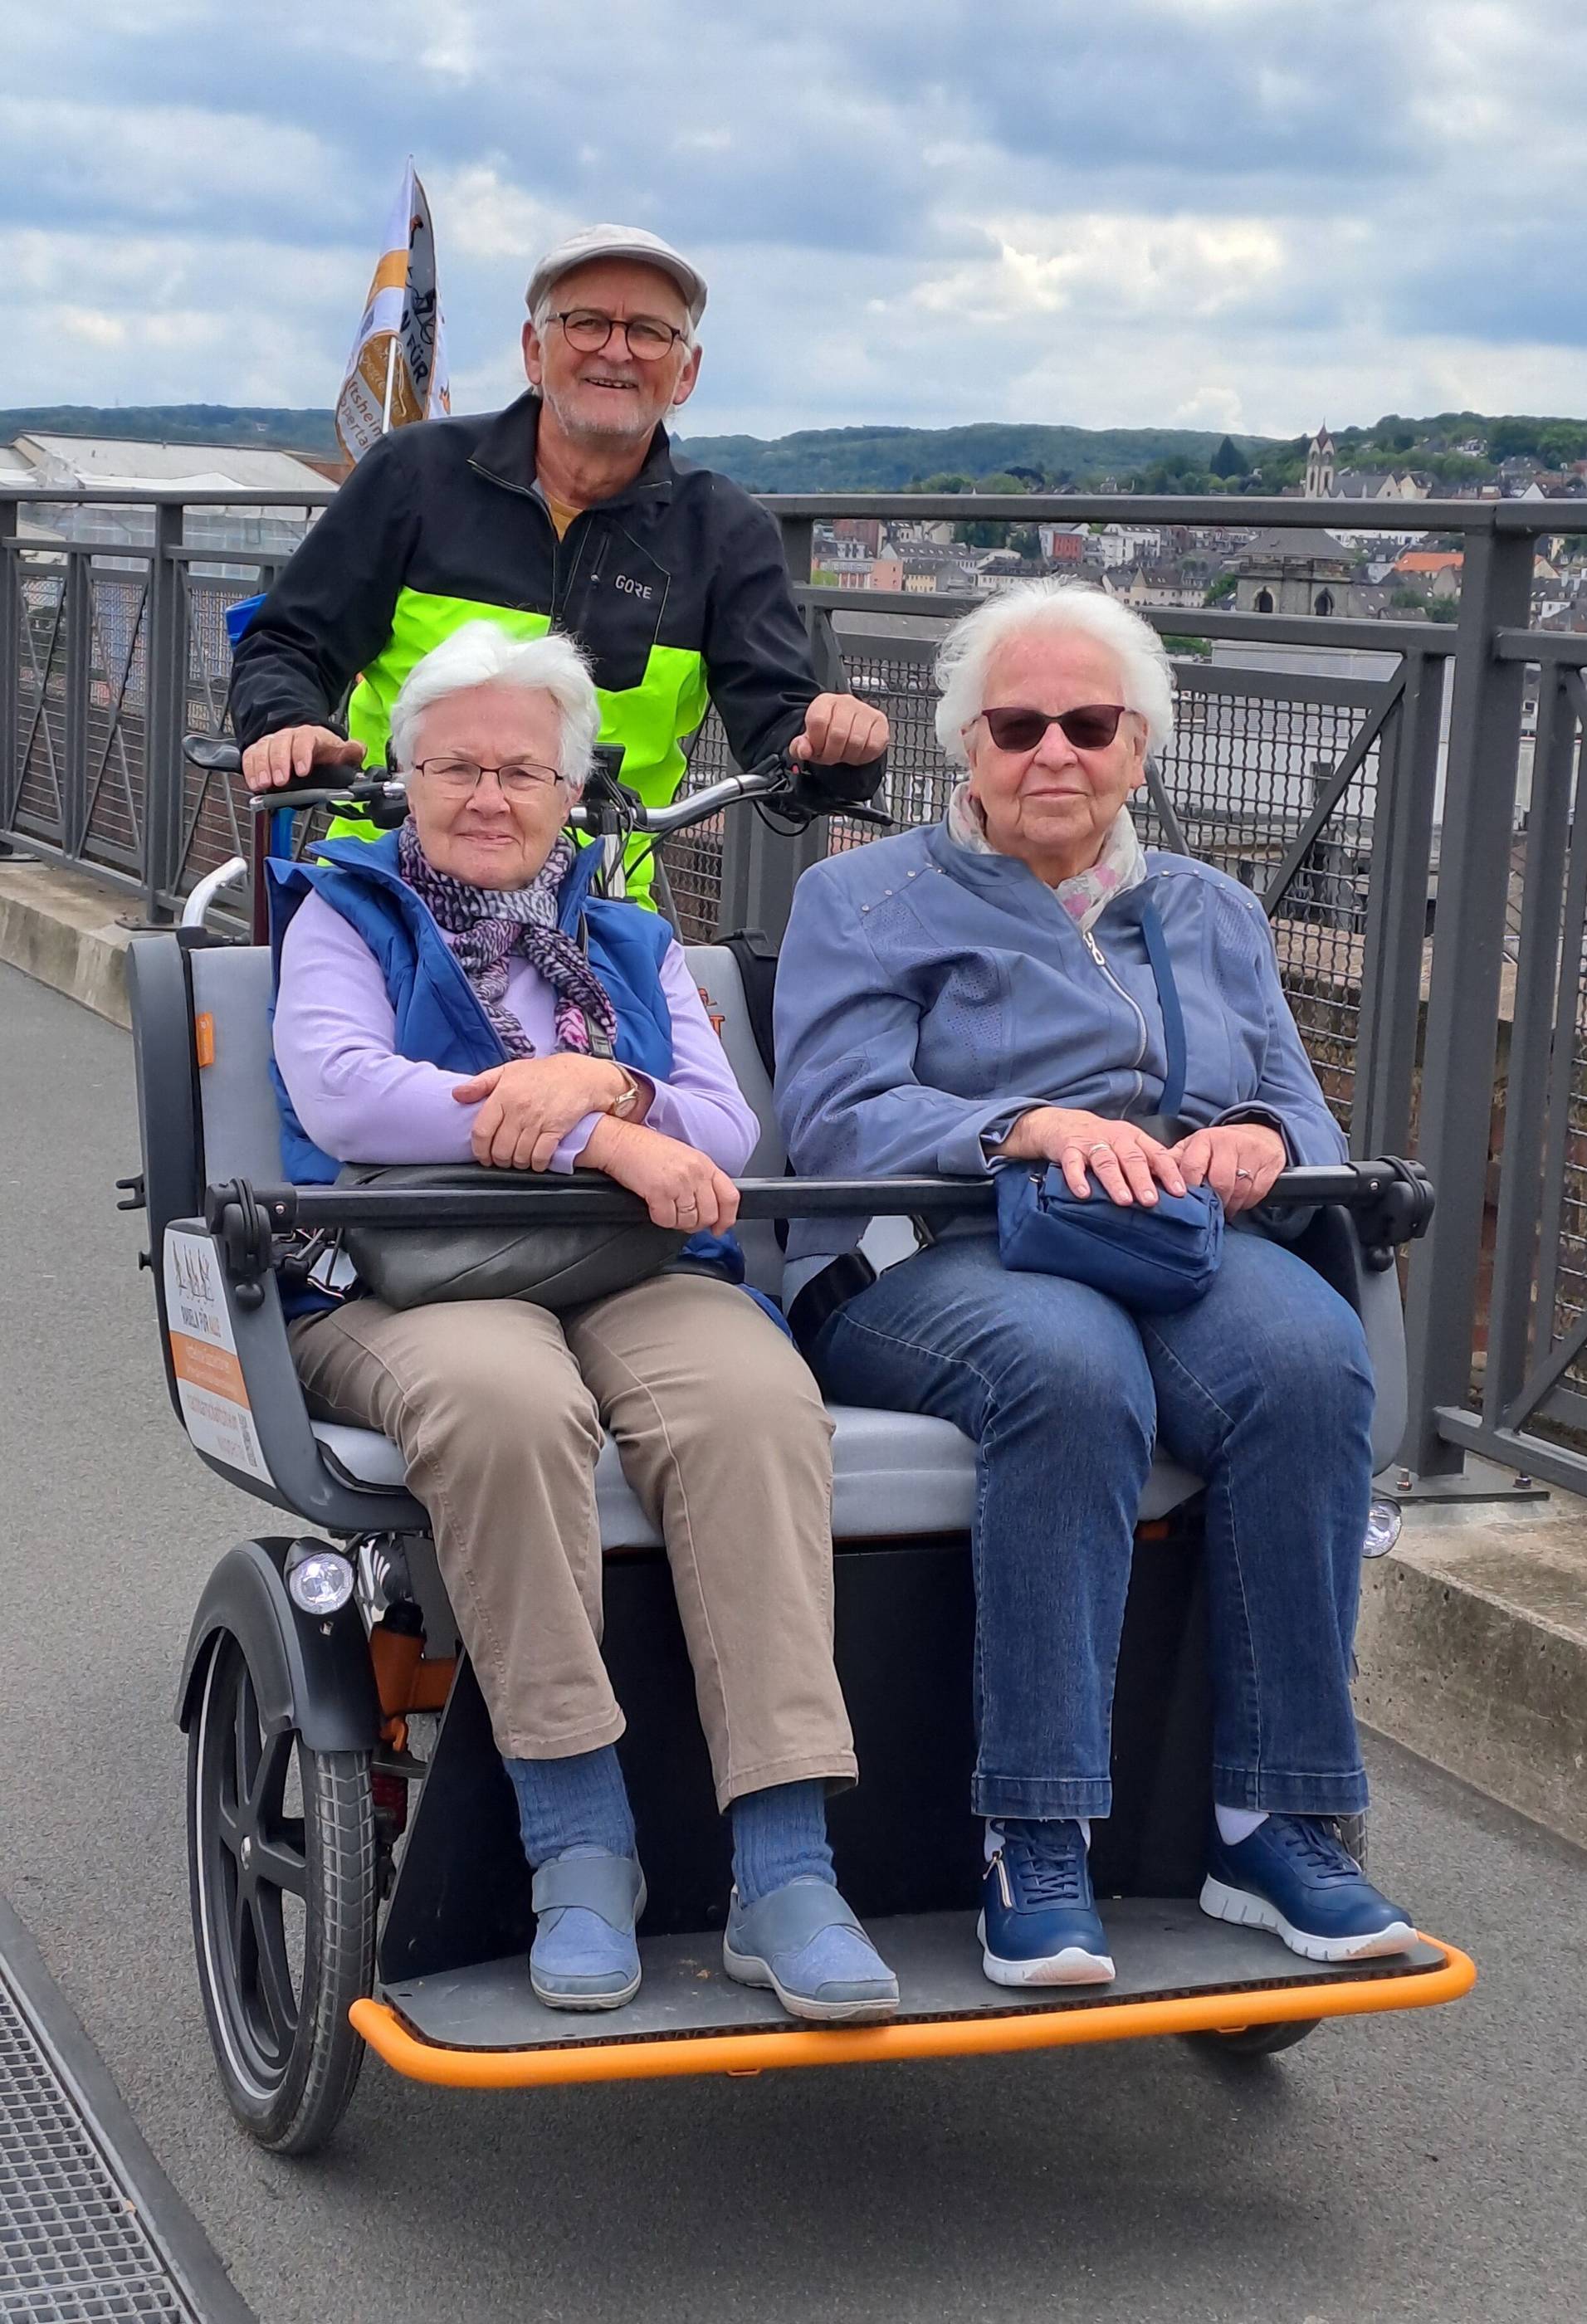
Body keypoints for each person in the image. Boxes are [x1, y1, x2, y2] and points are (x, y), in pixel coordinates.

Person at [773, 579, 1414, 1990]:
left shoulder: (1213, 912)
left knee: (1308, 1362)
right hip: (933, 1254)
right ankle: (1036, 1834)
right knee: (1068, 1370)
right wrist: (1021, 1126)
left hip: (1170, 1243)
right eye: (1016, 724)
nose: (1051, 751)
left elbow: (1308, 1120)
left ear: (1140, 747)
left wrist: (1259, 1141)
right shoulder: (861, 897)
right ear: (966, 748)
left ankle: (1275, 1817)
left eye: (1088, 723)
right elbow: (830, 1117)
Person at [271, 621, 898, 2024]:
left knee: (751, 1405)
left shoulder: (623, 932)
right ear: (404, 777)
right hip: (401, 1271)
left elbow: (724, 1124)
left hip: (625, 1269)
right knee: (506, 1407)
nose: (489, 797)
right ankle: (578, 1843)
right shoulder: (348, 910)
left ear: (572, 795)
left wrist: (608, 1094)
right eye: (455, 769)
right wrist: (595, 1133)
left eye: (523, 772)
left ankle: (788, 1865)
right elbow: (343, 1094)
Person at [232, 222, 886, 901]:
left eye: (649, 332)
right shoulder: (414, 477)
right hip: (389, 886)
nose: (617, 350)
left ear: (685, 372)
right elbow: (288, 643)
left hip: (598, 900)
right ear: (533, 351)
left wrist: (835, 752)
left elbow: (783, 735)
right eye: (587, 323)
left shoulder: (724, 533)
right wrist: (289, 726)